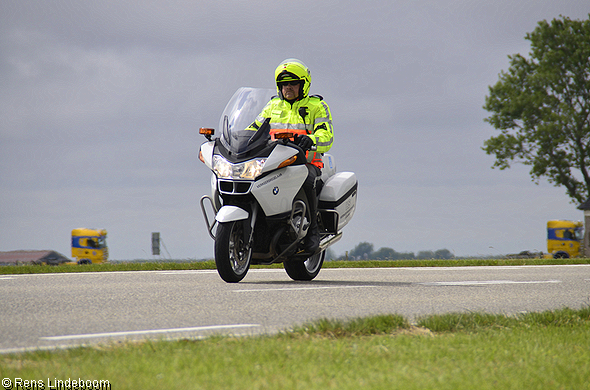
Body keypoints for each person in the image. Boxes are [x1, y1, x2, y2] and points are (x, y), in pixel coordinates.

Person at [248, 59, 334, 253]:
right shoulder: (272, 106)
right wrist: (238, 139)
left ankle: (312, 231)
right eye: (284, 84)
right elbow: (253, 130)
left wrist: (311, 140)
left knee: (307, 179)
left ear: (303, 85)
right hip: (273, 163)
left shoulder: (316, 106)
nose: (288, 87)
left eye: (293, 83)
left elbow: (327, 135)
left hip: (307, 163)